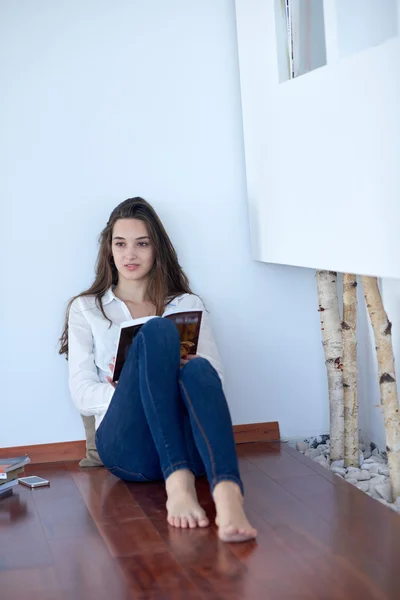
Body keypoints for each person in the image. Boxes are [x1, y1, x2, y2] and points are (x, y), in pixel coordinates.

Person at [59, 197, 257, 543]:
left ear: (157, 249)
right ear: (109, 250)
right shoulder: (86, 309)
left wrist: (171, 373)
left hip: (188, 443)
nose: (130, 255)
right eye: (120, 244)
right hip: (128, 449)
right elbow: (81, 393)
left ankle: (228, 493)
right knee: (157, 330)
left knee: (197, 370)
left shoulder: (187, 304)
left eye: (142, 244)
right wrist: (131, 387)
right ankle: (178, 484)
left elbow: (215, 381)